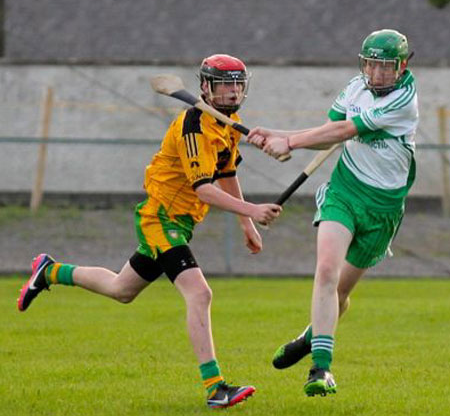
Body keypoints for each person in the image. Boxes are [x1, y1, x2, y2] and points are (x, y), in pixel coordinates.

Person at [18, 54, 282, 408]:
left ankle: (48, 271)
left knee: (121, 289)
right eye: (224, 84)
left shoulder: (228, 124)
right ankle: (215, 387)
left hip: (182, 222)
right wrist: (253, 209)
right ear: (206, 87)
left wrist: (246, 223)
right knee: (199, 294)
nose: (233, 91)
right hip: (161, 217)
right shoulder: (194, 126)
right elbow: (205, 188)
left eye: (237, 83)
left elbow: (227, 174)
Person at [248, 29, 418, 397]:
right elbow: (329, 132)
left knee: (340, 292)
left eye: (385, 67)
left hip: (384, 207)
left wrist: (289, 142)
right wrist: (276, 133)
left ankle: (312, 335)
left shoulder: (405, 98)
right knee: (326, 270)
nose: (376, 73)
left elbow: (346, 129)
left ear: (401, 67)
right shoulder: (355, 87)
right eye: (371, 64)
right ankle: (320, 370)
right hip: (345, 190)